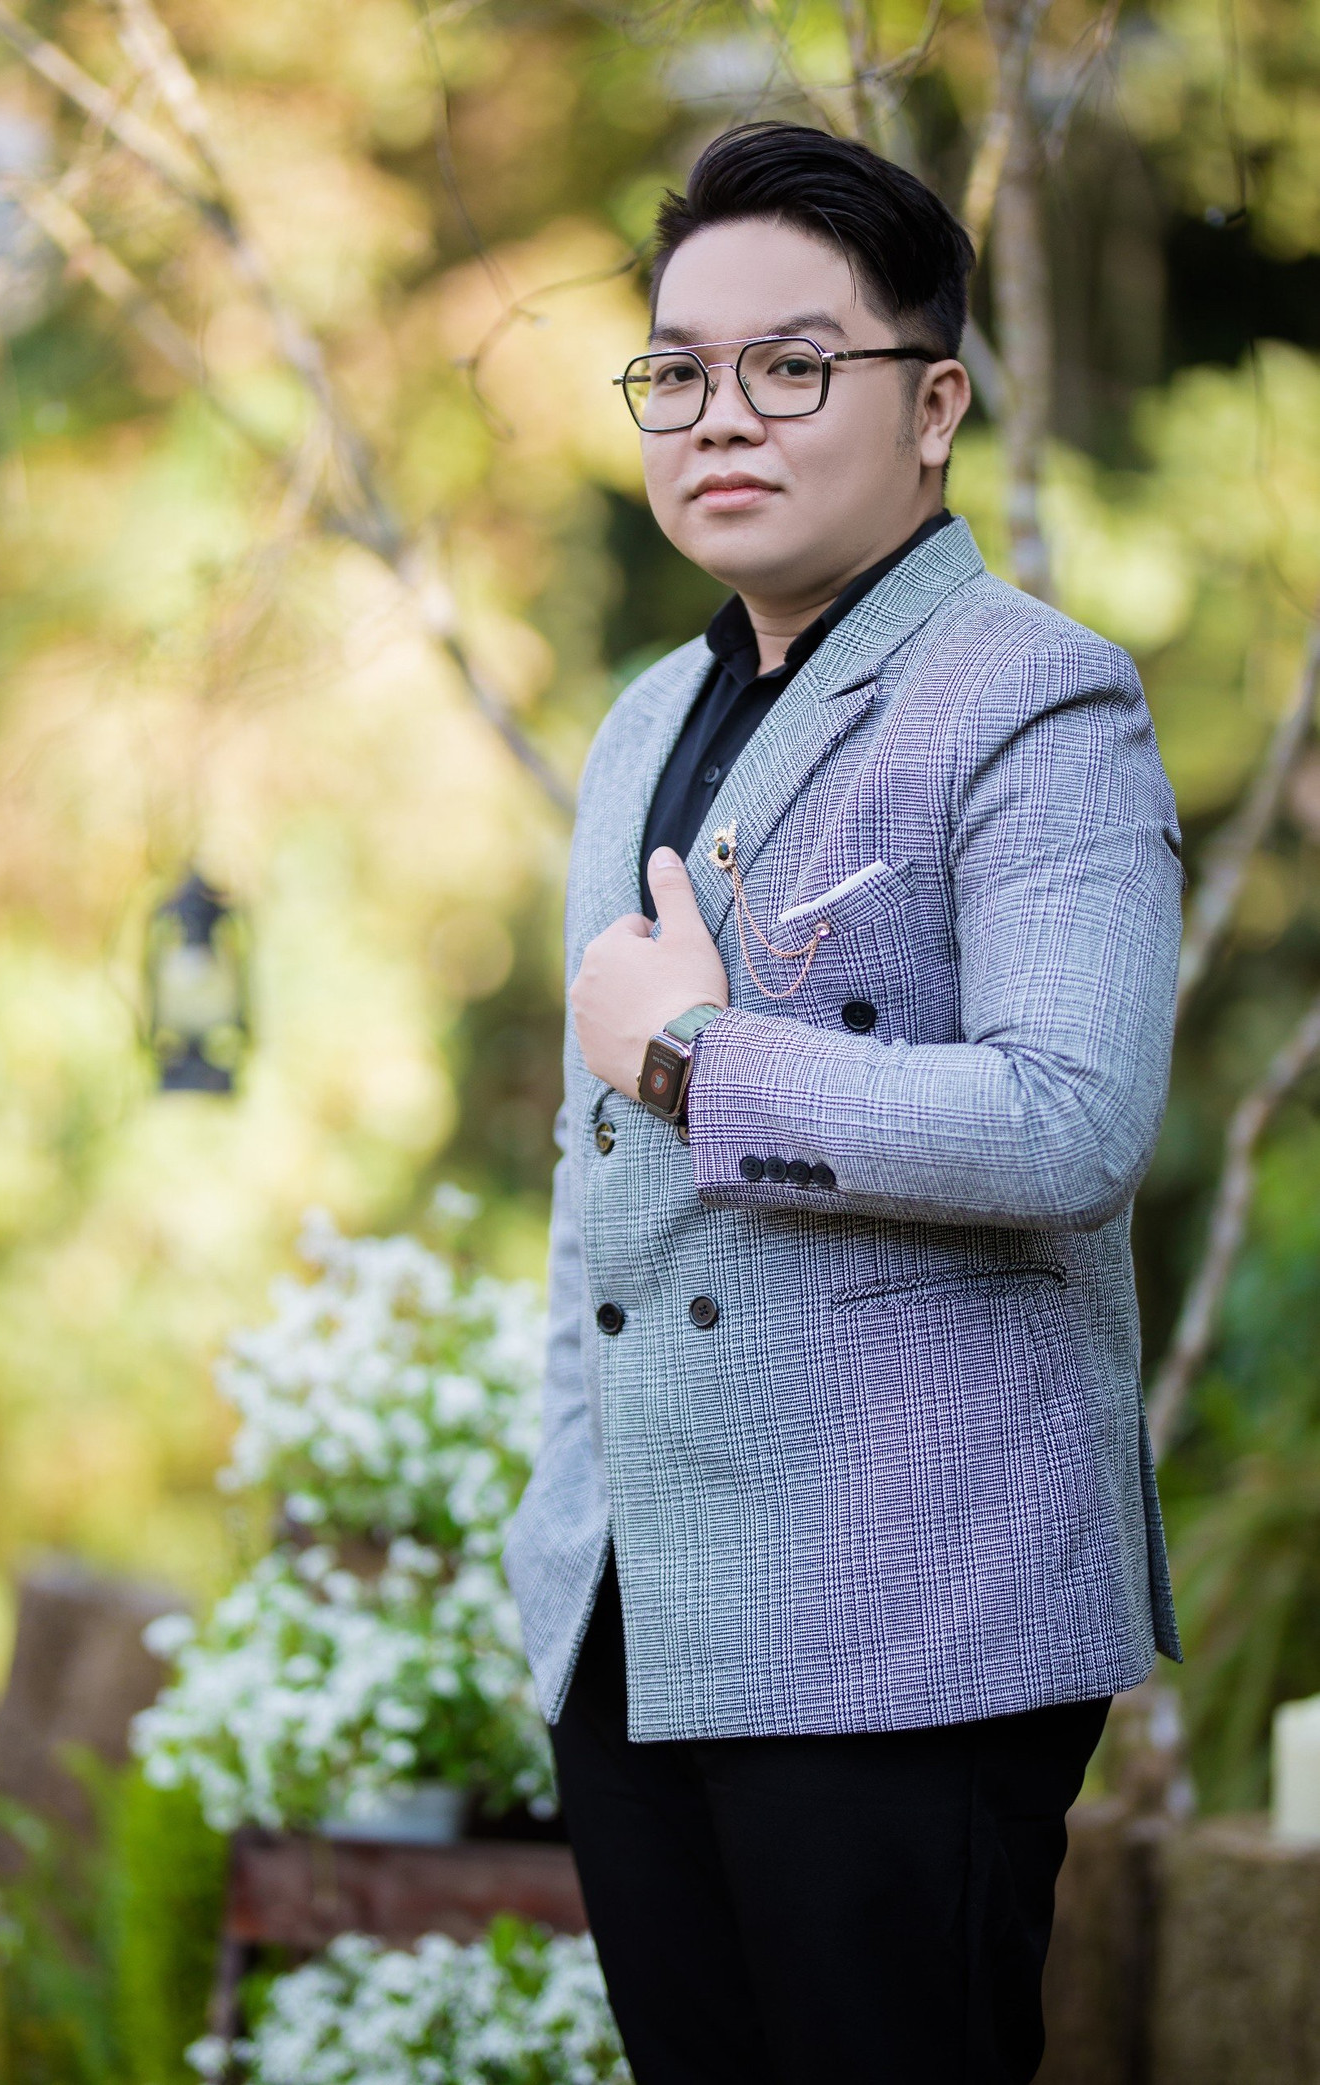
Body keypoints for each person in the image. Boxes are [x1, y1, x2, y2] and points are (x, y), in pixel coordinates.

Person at [503, 119, 1183, 2085]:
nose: (720, 414)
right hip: (635, 1606)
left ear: (934, 405)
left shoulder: (1035, 693)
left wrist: (697, 1056)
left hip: (905, 1610)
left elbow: (1068, 1123)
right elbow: (592, 1183)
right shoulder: (643, 713)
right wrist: (560, 1524)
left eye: (791, 364)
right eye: (676, 371)